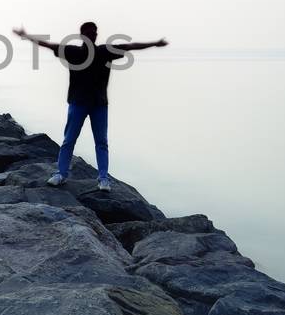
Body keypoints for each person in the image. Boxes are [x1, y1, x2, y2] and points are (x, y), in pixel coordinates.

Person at [12, 22, 168, 191]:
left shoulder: (104, 51)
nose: (93, 35)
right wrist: (25, 36)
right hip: (78, 103)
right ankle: (61, 174)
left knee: (101, 142)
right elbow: (47, 45)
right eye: (90, 32)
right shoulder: (74, 52)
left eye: (94, 32)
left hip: (98, 104)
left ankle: (103, 179)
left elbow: (131, 46)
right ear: (83, 35)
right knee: (69, 140)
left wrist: (154, 44)